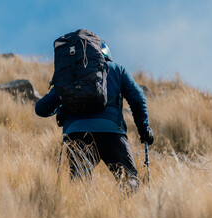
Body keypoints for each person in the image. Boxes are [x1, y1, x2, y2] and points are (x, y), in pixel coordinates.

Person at [35, 40, 154, 193]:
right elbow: (137, 97)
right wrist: (144, 130)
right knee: (129, 180)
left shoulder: (70, 75)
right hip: (112, 132)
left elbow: (41, 109)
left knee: (79, 183)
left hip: (77, 135)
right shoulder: (117, 69)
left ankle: (81, 213)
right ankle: (128, 211)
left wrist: (62, 102)